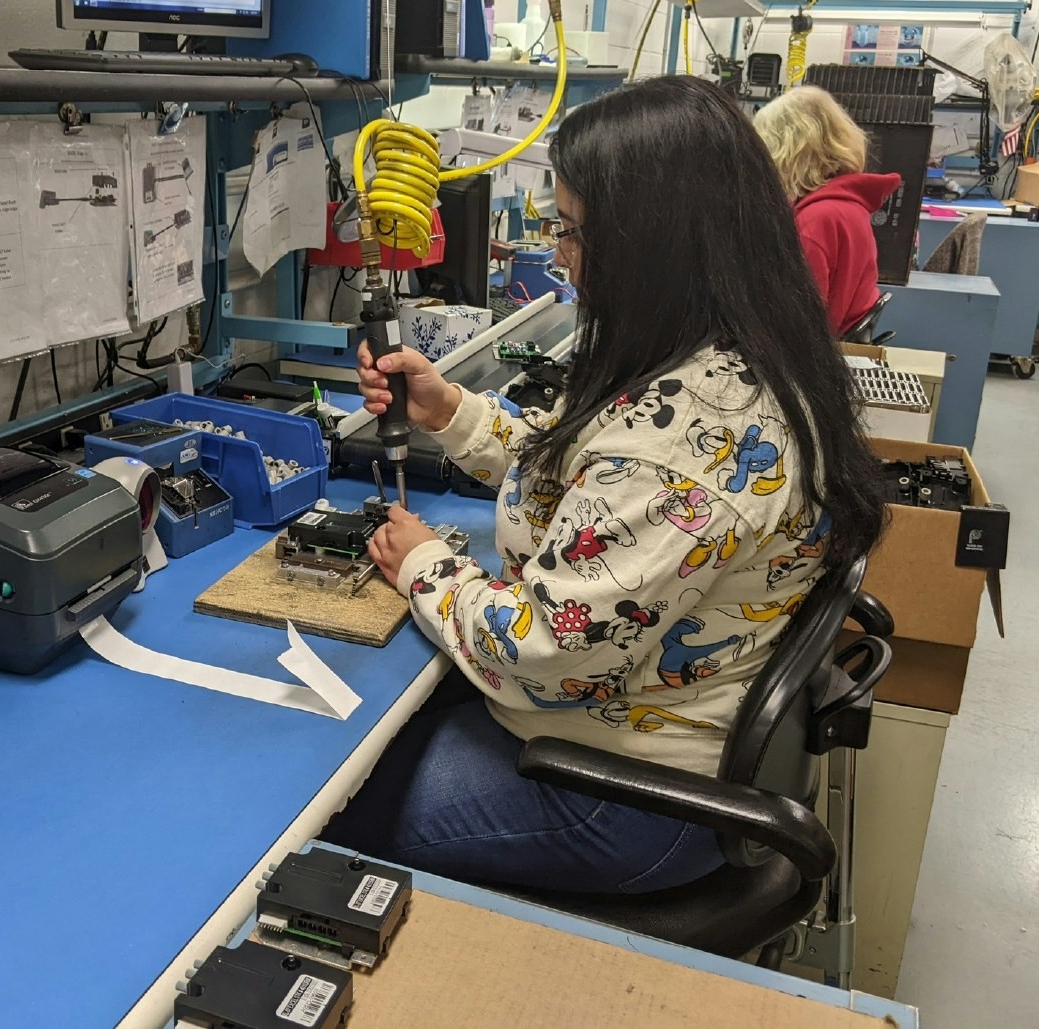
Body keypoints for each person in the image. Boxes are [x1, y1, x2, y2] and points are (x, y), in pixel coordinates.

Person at [323, 76, 883, 896]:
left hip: (623, 792)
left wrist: (425, 563)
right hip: (636, 726)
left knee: (327, 810)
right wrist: (454, 413)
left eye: (575, 231)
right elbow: (597, 488)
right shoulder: (735, 352)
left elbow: (544, 653)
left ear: (654, 245)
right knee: (376, 737)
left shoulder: (688, 443)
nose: (558, 252)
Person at [752, 85, 901, 336]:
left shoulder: (815, 222)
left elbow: (796, 327)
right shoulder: (845, 206)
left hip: (815, 354)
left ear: (786, 154)